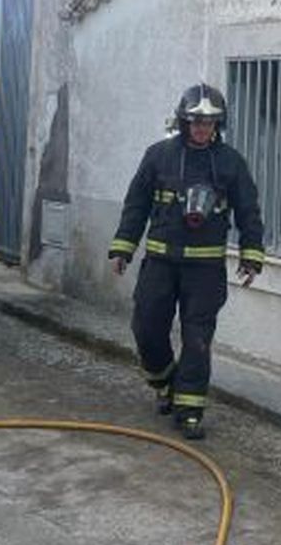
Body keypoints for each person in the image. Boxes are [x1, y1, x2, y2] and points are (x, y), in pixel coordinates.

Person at [108, 83, 264, 440]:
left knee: (197, 339)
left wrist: (252, 255)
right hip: (161, 264)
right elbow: (136, 205)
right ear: (183, 121)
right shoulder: (158, 156)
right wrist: (123, 248)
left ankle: (189, 410)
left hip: (206, 272)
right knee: (146, 329)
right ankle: (166, 382)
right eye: (195, 122)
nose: (201, 129)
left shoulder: (230, 163)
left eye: (209, 123)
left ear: (218, 125)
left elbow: (249, 211)